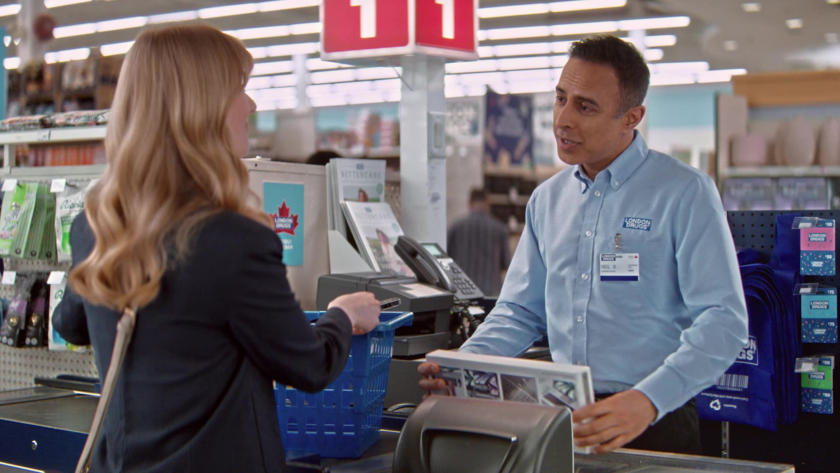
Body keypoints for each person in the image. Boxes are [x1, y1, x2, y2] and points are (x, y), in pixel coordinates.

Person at [53, 24, 381, 472]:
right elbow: (308, 365)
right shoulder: (233, 239)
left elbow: (70, 324)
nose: (250, 104)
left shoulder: (96, 226)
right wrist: (343, 314)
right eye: (238, 90)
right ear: (198, 108)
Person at [420, 34, 749, 455]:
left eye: (585, 106)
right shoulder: (547, 200)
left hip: (652, 419)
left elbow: (724, 320)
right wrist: (461, 366)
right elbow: (521, 311)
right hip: (562, 417)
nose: (563, 119)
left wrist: (649, 401)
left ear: (632, 117)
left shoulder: (684, 193)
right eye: (561, 99)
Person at [446, 189, 511, 297]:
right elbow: (506, 263)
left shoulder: (455, 227)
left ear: (469, 203)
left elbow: (446, 260)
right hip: (491, 294)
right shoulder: (499, 229)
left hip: (462, 294)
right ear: (487, 203)